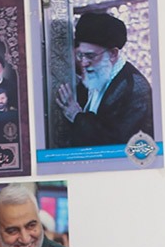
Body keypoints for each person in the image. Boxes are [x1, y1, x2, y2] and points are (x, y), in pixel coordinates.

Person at [55, 11, 155, 148]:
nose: (84, 63)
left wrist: (77, 116)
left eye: (90, 56)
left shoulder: (136, 89)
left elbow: (118, 144)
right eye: (81, 55)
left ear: (113, 54)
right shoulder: (94, 75)